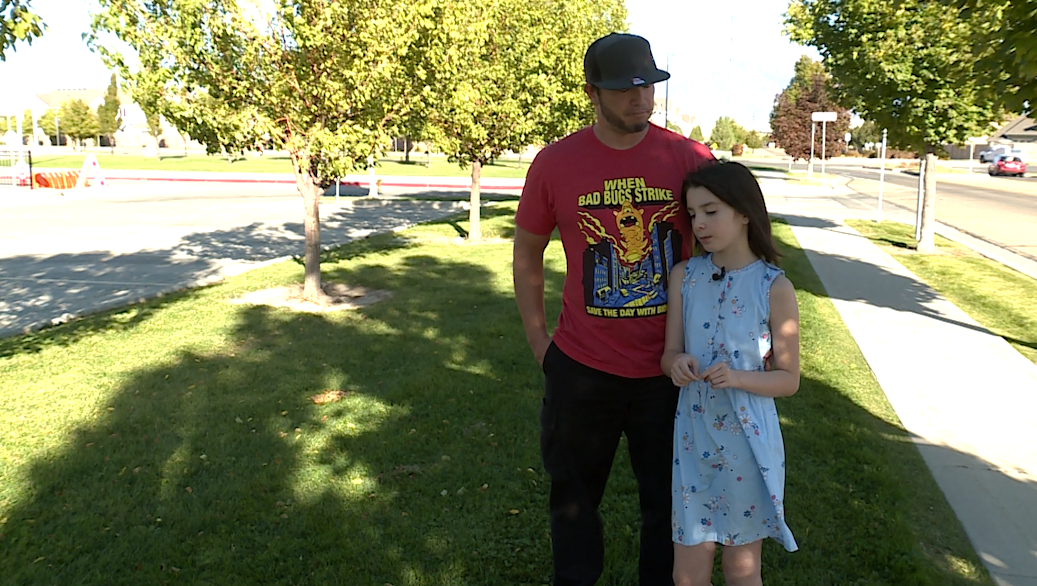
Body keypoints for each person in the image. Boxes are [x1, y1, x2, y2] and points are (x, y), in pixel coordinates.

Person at [512, 33, 714, 586]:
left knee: (669, 508)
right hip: (582, 369)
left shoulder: (690, 158)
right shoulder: (556, 163)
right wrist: (540, 344)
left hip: (673, 371)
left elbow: (732, 240)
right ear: (592, 93)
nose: (639, 99)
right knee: (574, 504)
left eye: (647, 86)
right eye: (623, 88)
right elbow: (528, 249)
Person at [660, 161, 800, 586]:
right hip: (693, 435)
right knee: (688, 567)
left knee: (741, 567)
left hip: (747, 440)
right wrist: (677, 366)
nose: (699, 224)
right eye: (692, 214)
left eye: (711, 211)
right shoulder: (685, 277)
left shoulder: (773, 288)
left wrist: (738, 377)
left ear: (743, 212)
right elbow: (668, 354)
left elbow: (788, 379)